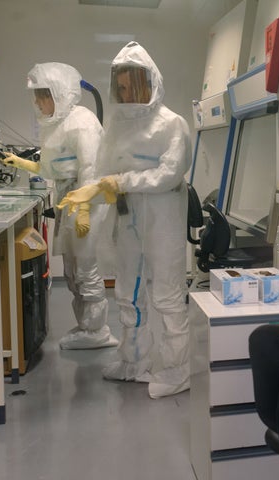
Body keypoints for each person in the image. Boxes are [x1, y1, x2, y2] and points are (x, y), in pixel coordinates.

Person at [58, 42, 192, 398]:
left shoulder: (172, 124)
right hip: (127, 219)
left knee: (165, 295)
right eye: (121, 85)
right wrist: (89, 198)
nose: (126, 92)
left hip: (163, 222)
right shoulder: (116, 125)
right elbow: (102, 172)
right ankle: (134, 361)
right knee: (128, 293)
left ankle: (177, 370)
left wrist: (120, 182)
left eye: (133, 84)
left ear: (151, 83)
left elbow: (169, 174)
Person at [2, 62, 118, 350]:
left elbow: (91, 170)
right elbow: (50, 168)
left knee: (85, 266)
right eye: (37, 96)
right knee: (71, 268)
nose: (39, 103)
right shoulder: (55, 124)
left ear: (62, 93)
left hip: (88, 201)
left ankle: (98, 330)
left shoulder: (82, 121)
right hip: (70, 199)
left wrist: (83, 210)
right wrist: (21, 162)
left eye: (44, 95)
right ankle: (86, 326)